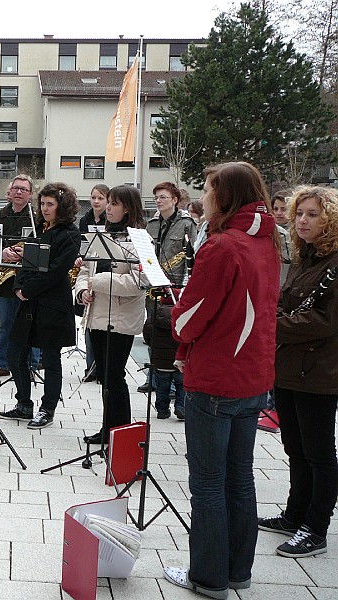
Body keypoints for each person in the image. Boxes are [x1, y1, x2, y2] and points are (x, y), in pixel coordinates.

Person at [163, 161, 280, 599]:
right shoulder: (268, 240)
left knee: (209, 482)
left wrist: (174, 311)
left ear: (225, 195)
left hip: (215, 378)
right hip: (253, 375)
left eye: (210, 188)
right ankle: (237, 572)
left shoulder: (223, 246)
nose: (205, 195)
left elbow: (189, 322)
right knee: (240, 477)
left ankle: (208, 578)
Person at [258, 186, 338, 559]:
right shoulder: (307, 258)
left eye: (312, 214)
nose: (302, 220)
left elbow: (325, 320)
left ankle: (316, 528)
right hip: (290, 367)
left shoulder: (334, 262)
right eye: (299, 213)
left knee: (319, 453)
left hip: (321, 371)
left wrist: (272, 325)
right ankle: (294, 515)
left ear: (330, 220)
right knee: (294, 447)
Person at [0, 182, 81, 429]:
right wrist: (17, 287)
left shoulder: (70, 234)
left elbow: (55, 272)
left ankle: (48, 408)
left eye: (50, 204)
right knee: (15, 354)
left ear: (62, 206)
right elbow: (28, 264)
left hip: (53, 304)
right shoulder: (42, 230)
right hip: (30, 303)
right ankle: (24, 403)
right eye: (42, 204)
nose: (44, 208)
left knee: (51, 359)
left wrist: (28, 289)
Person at [74, 185, 146, 445]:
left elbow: (139, 282)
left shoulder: (138, 239)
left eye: (114, 204)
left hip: (121, 319)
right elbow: (85, 272)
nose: (108, 208)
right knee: (105, 377)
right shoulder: (99, 235)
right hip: (96, 315)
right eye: (109, 203)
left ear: (127, 207)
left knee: (114, 377)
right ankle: (108, 429)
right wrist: (83, 291)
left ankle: (119, 433)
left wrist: (99, 281)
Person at [144, 181, 197, 419]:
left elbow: (192, 254)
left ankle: (177, 387)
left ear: (175, 200)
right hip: (153, 285)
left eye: (163, 197)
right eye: (156, 197)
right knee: (154, 332)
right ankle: (155, 380)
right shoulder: (152, 224)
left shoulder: (187, 224)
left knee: (175, 334)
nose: (159, 200)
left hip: (177, 286)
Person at [0, 174, 41, 379]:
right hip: (5, 279)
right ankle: (2, 363)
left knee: (29, 323)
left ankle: (30, 366)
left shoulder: (38, 218)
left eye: (23, 189)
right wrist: (2, 252)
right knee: (5, 323)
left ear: (30, 194)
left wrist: (24, 254)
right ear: (9, 192)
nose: (18, 192)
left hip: (28, 280)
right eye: (15, 188)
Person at [77, 184, 109, 383]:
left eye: (100, 198)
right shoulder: (85, 220)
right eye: (93, 197)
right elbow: (82, 245)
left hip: (103, 272)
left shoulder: (111, 221)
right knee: (88, 322)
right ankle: (91, 367)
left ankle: (100, 366)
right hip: (87, 268)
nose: (96, 201)